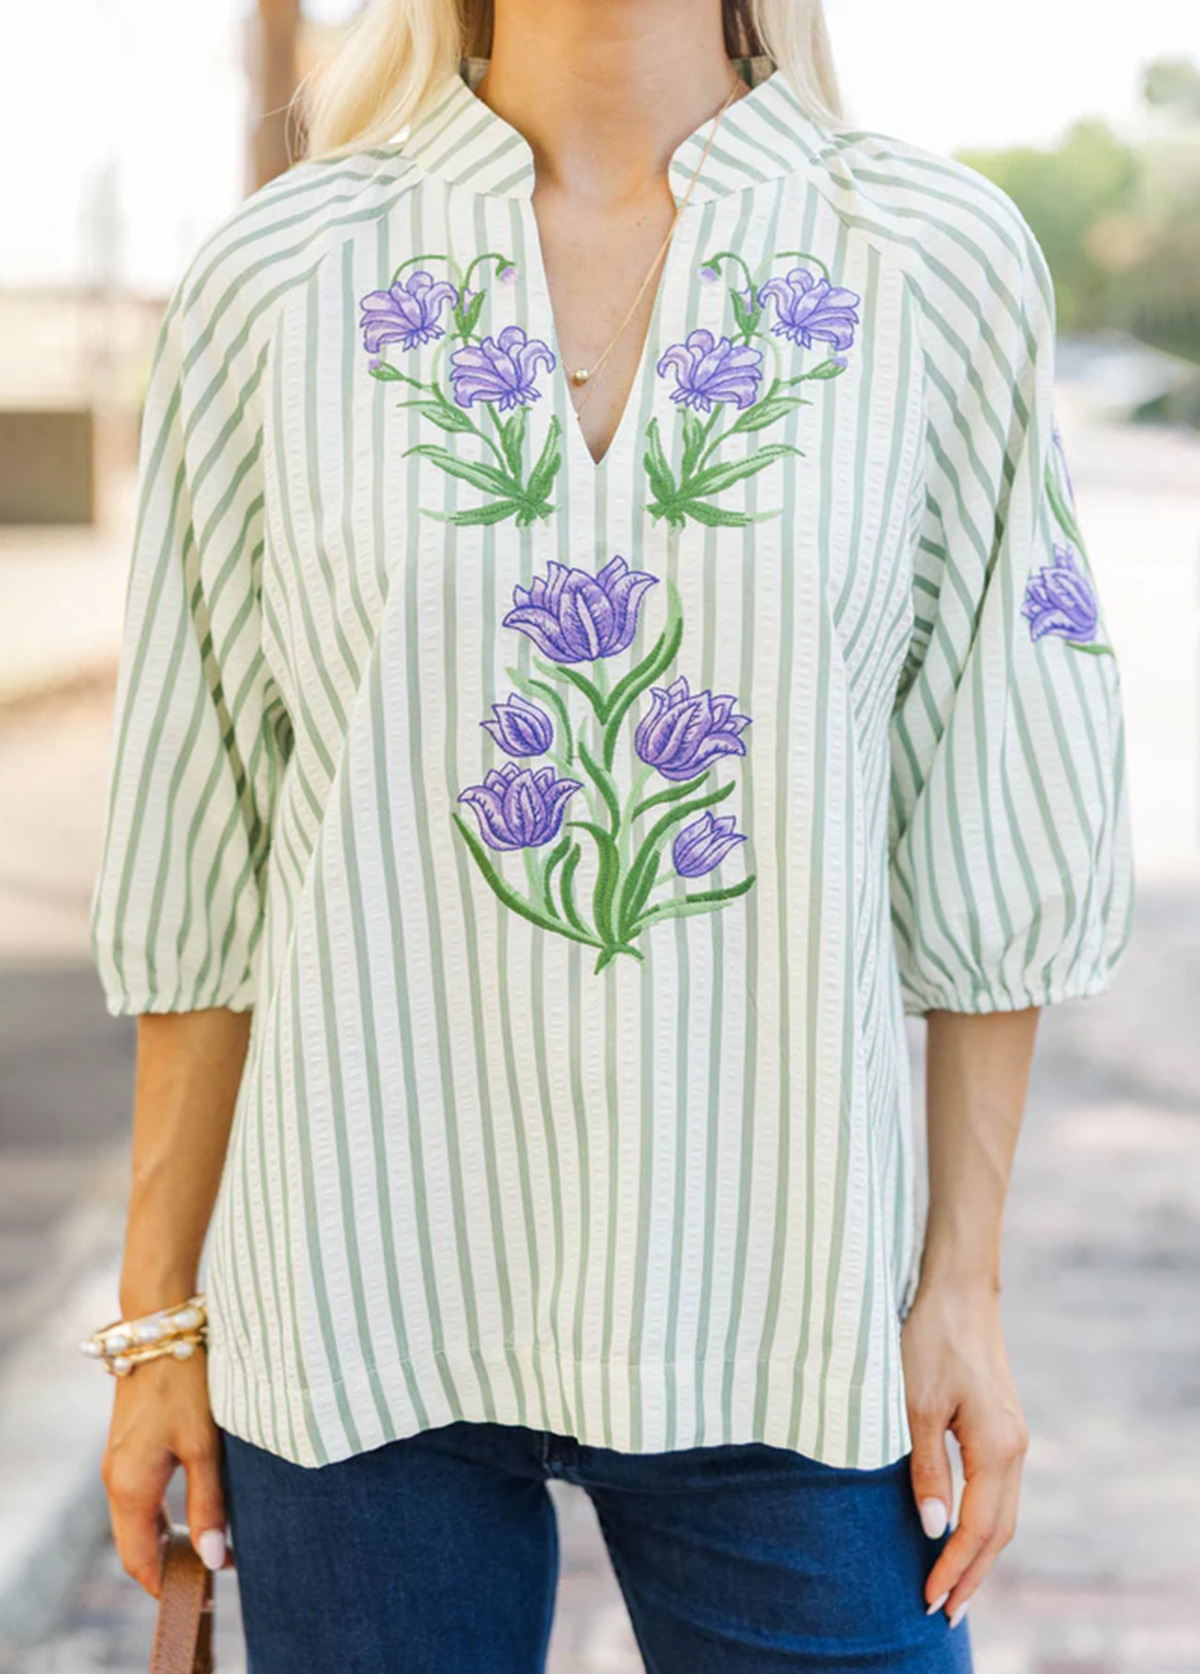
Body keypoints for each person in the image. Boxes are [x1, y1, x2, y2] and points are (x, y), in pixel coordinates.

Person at [86, 0, 1134, 1668]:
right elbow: (208, 838)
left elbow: (988, 802)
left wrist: (964, 1290)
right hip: (357, 1316)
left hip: (792, 1314)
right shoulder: (279, 279)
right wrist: (157, 1326)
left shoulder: (930, 258)